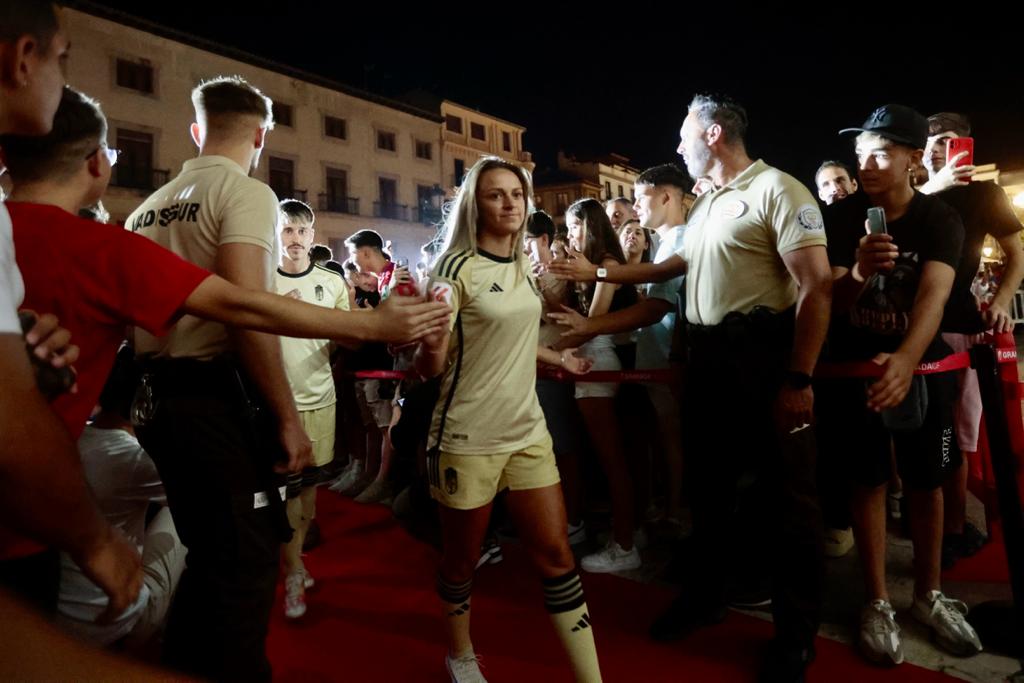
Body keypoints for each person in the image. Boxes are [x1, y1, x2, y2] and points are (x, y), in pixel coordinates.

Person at [123, 76, 448, 681]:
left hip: (157, 401)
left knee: (210, 553)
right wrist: (288, 418)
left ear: (197, 131)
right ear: (261, 134)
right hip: (215, 398)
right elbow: (248, 312)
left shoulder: (145, 209)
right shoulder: (245, 193)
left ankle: (182, 663)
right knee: (246, 566)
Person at [551, 95, 832, 682]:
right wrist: (600, 272)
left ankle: (795, 636)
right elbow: (669, 271)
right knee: (708, 492)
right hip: (706, 362)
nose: (677, 147)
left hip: (761, 356)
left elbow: (815, 288)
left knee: (789, 504)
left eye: (683, 135)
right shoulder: (705, 209)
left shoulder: (777, 191)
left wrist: (799, 377)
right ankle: (705, 600)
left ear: (712, 132)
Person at [414, 156, 601, 682]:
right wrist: (427, 348)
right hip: (467, 438)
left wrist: (557, 357)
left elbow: (511, 340)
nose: (510, 203)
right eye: (496, 194)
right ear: (476, 203)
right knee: (461, 561)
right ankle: (460, 652)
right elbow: (432, 362)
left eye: (517, 194)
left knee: (557, 555)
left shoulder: (523, 267)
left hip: (527, 435)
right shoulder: (454, 269)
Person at [0, 0, 143, 620]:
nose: (65, 83)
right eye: (63, 60)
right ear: (23, 59)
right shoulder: (100, 244)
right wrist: (97, 542)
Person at [825, 104, 982, 665]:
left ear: (915, 160)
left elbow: (934, 296)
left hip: (921, 370)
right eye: (860, 152)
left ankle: (928, 594)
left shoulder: (940, 220)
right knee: (865, 482)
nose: (866, 163)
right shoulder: (842, 219)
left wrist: (905, 359)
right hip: (853, 371)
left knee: (926, 481)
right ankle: (876, 599)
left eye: (881, 153)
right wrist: (862, 272)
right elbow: (831, 304)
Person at [921, 111, 1024, 569]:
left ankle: (955, 530)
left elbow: (1016, 255)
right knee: (914, 431)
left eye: (949, 140)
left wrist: (1002, 300)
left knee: (955, 435)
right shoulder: (912, 196)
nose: (938, 148)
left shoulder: (985, 192)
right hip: (905, 329)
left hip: (961, 328)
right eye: (931, 141)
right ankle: (929, 520)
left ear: (967, 147)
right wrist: (933, 186)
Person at [275, 198, 351, 619]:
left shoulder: (332, 283)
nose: (296, 239)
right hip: (278, 405)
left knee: (308, 492)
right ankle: (293, 572)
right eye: (288, 230)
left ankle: (295, 562)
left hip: (322, 399)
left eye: (303, 231)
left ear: (313, 235)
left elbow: (347, 335)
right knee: (284, 490)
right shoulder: (261, 280)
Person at [563, 198, 641, 573]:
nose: (569, 235)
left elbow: (592, 321)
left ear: (588, 226)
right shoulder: (593, 266)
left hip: (598, 359)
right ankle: (623, 534)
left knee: (613, 460)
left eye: (573, 227)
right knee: (606, 457)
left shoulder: (608, 264)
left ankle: (624, 544)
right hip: (589, 359)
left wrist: (547, 350)